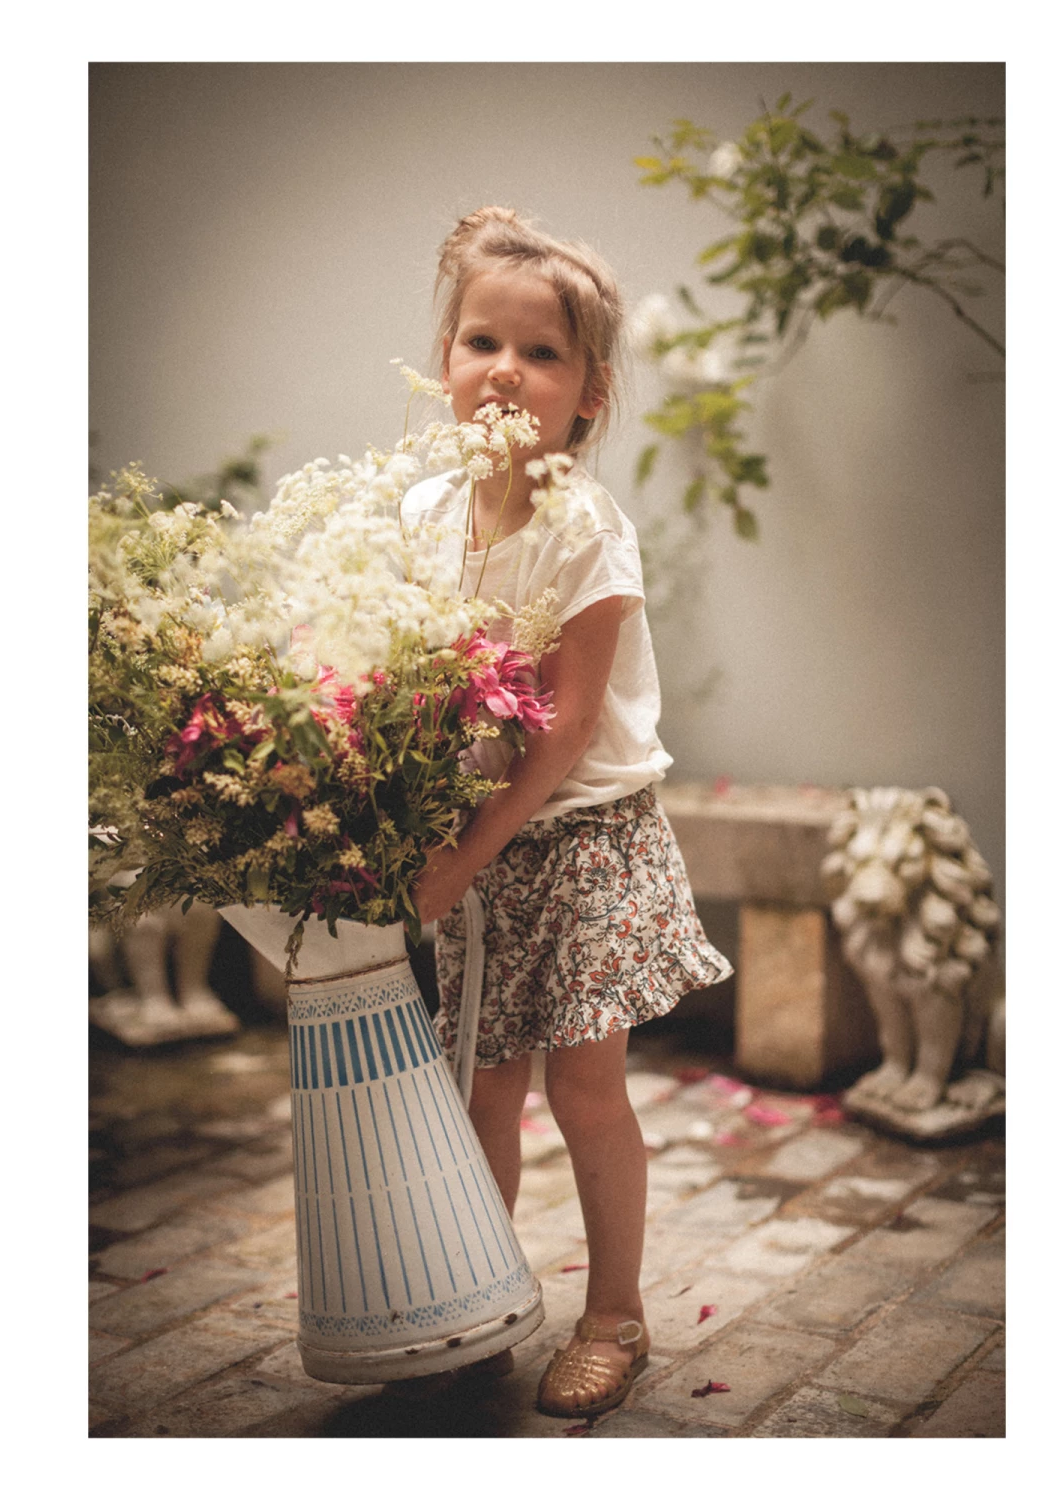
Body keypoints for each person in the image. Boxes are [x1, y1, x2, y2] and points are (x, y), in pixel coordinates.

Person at [404, 206, 732, 1420]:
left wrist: (459, 861)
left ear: (589, 394)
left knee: (584, 1090)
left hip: (584, 839)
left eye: (542, 354)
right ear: (445, 360)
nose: (505, 371)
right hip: (478, 840)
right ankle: (482, 1301)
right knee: (482, 1091)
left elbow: (566, 726)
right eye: (482, 341)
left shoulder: (583, 529)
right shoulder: (424, 513)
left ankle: (615, 1315)